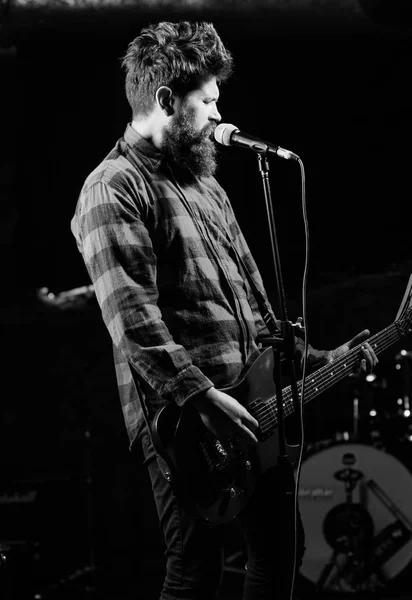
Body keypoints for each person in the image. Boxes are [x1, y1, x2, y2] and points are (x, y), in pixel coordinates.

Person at [70, 20, 378, 600]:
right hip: (186, 425)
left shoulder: (207, 183)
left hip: (254, 406)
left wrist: (317, 359)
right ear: (166, 100)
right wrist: (201, 396)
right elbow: (133, 321)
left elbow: (255, 304)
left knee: (281, 553)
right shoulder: (113, 188)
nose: (218, 113)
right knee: (195, 573)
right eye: (207, 100)